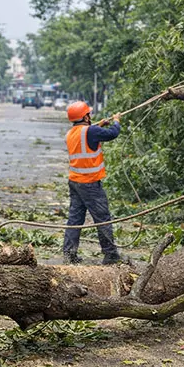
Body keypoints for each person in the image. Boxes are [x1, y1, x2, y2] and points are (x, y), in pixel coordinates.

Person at [63, 101, 123, 265]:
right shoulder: (91, 131)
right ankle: (110, 254)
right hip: (89, 183)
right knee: (103, 218)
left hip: (75, 182)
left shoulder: (71, 134)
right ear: (86, 116)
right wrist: (117, 120)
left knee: (75, 219)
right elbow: (112, 134)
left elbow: (88, 135)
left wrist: (100, 124)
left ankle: (69, 253)